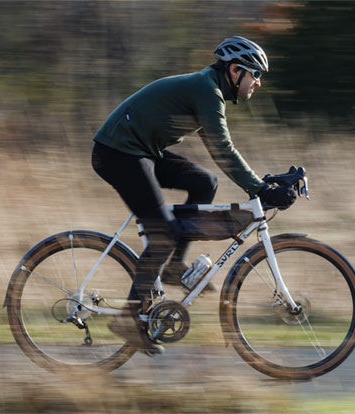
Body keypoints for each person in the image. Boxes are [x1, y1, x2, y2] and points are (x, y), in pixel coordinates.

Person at [91, 36, 296, 355]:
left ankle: (174, 266)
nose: (258, 83)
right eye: (254, 74)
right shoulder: (207, 90)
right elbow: (223, 148)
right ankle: (128, 318)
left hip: (141, 151)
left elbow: (219, 150)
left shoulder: (209, 89)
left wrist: (260, 183)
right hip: (119, 154)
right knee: (164, 234)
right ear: (234, 70)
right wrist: (259, 188)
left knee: (204, 182)